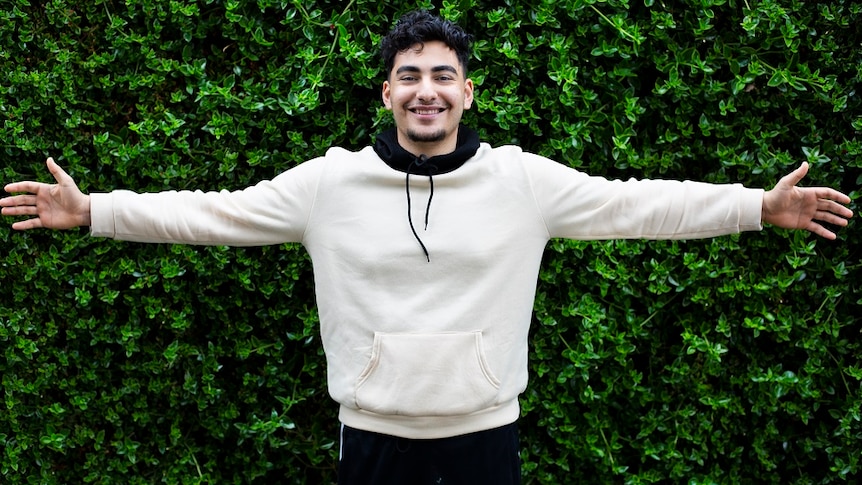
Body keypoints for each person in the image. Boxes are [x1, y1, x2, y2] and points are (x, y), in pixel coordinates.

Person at [0, 10, 854, 485]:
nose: (426, 89)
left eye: (442, 74)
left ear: (467, 92)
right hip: (370, 439)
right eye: (409, 74)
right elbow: (213, 213)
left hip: (487, 438)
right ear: (387, 92)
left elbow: (638, 204)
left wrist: (754, 206)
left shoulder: (524, 182)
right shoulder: (327, 186)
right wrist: (96, 211)